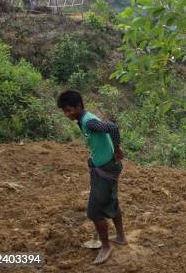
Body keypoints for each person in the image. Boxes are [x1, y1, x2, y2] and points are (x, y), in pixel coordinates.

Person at [57, 91, 127, 265]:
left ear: (79, 106)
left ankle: (106, 246)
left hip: (106, 169)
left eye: (69, 110)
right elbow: (99, 141)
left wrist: (117, 149)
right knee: (112, 202)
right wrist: (94, 159)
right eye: (64, 111)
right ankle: (120, 237)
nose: (67, 114)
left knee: (94, 212)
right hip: (106, 166)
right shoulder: (83, 120)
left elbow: (113, 128)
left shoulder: (89, 121)